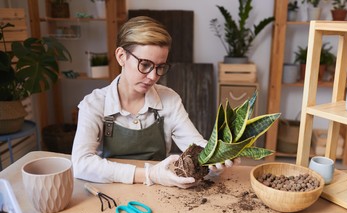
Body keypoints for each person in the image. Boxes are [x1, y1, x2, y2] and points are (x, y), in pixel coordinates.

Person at [71, 16, 239, 189]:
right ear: (121, 56)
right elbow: (81, 164)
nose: (153, 77)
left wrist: (217, 153)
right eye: (145, 65)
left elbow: (195, 145)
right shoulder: (94, 104)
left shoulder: (170, 99)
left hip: (158, 191)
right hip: (110, 188)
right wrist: (150, 174)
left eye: (160, 67)